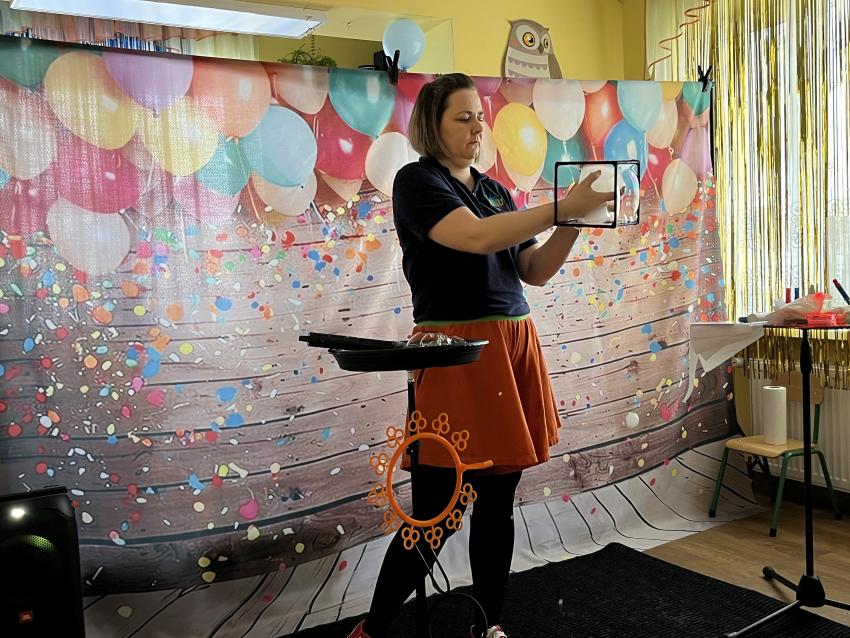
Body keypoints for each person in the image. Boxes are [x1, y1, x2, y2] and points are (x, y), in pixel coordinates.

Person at [347, 73, 614, 638]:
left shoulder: (495, 191)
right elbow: (475, 238)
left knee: (497, 503)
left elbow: (533, 270)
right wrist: (561, 206)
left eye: (479, 116)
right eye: (462, 117)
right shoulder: (416, 181)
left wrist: (575, 220)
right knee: (436, 512)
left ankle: (488, 625)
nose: (477, 127)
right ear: (432, 124)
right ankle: (372, 629)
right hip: (456, 354)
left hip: (511, 345)